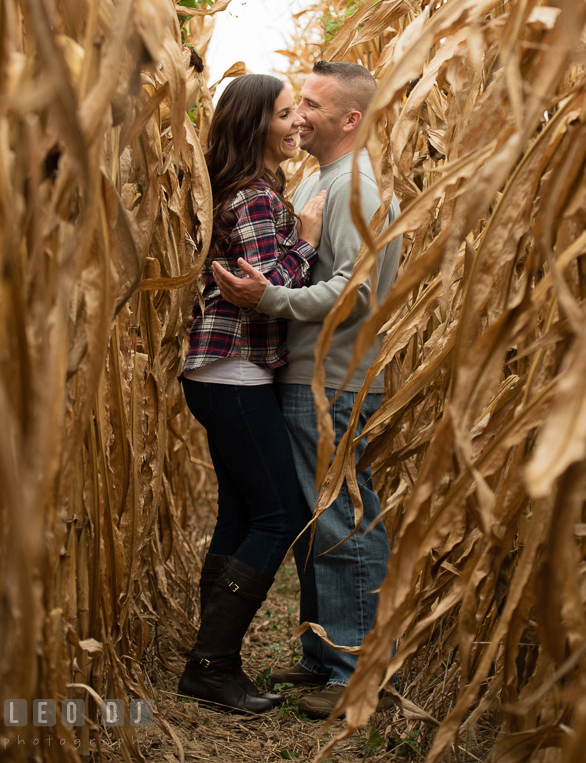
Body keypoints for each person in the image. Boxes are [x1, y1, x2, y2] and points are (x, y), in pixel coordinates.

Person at [212, 60, 402, 719]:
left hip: (333, 383)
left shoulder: (355, 187)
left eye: (314, 104)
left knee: (345, 523)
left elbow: (356, 293)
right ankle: (324, 655)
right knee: (324, 524)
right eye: (298, 105)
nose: (302, 116)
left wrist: (271, 298)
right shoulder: (326, 179)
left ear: (350, 118)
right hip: (314, 379)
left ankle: (353, 674)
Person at [178, 73, 326, 714]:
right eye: (288, 113)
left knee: (240, 515)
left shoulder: (247, 191)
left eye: (299, 112)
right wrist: (311, 238)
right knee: (280, 515)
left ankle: (210, 658)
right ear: (254, 124)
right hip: (234, 371)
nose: (298, 123)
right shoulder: (254, 199)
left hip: (221, 374)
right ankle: (212, 666)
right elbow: (268, 287)